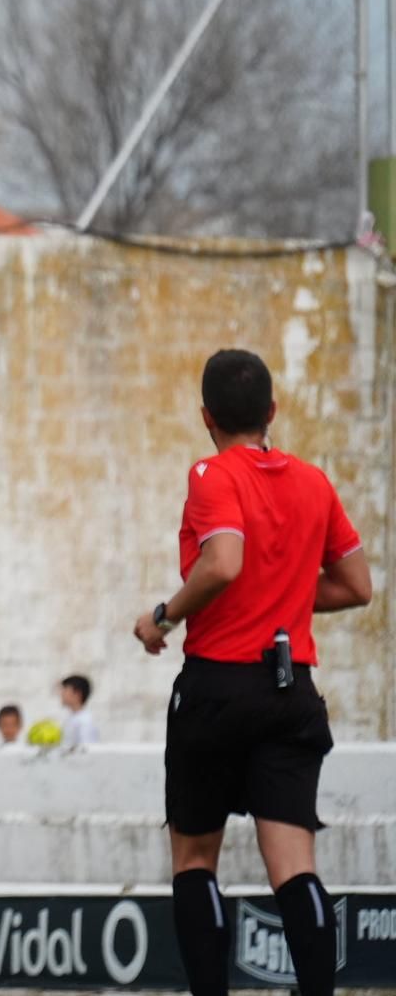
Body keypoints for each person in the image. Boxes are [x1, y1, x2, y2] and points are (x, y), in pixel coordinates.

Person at [132, 349, 371, 996]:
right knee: (294, 866)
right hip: (289, 691)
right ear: (272, 411)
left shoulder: (211, 474)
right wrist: (288, 585)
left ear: (205, 416)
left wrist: (163, 615)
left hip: (216, 688)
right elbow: (357, 586)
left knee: (194, 860)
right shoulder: (314, 482)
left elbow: (223, 562)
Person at [59, 674, 99, 748]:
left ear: (77, 694)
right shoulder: (71, 718)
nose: (61, 694)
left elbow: (87, 750)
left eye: (65, 690)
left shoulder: (85, 721)